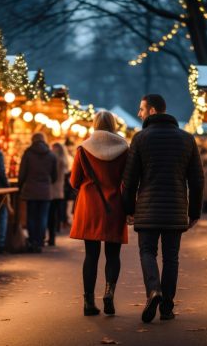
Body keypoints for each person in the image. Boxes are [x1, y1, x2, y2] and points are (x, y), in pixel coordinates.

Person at [123, 94, 204, 323]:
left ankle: (153, 290)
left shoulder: (140, 139)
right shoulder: (187, 139)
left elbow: (130, 181)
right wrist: (194, 212)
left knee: (147, 251)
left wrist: (129, 208)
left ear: (152, 111)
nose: (138, 113)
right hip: (175, 209)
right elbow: (197, 181)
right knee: (171, 258)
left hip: (147, 208)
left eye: (141, 109)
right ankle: (167, 307)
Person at [70, 111, 128, 316]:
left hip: (90, 206)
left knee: (91, 255)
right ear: (113, 125)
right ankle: (109, 293)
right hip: (114, 205)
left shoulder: (83, 149)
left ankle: (88, 302)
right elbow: (128, 181)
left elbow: (74, 181)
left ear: (94, 124)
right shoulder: (124, 148)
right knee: (113, 255)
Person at [19, 132, 57, 253]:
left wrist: (21, 186)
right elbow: (54, 175)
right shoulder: (51, 155)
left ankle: (32, 241)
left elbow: (22, 173)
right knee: (43, 217)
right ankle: (40, 241)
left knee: (31, 217)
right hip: (45, 191)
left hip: (30, 190)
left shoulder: (28, 154)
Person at [47, 142, 68, 246]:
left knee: (50, 215)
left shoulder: (54, 160)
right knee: (55, 213)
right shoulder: (64, 161)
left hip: (51, 189)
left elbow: (52, 175)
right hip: (59, 190)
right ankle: (54, 234)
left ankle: (51, 237)